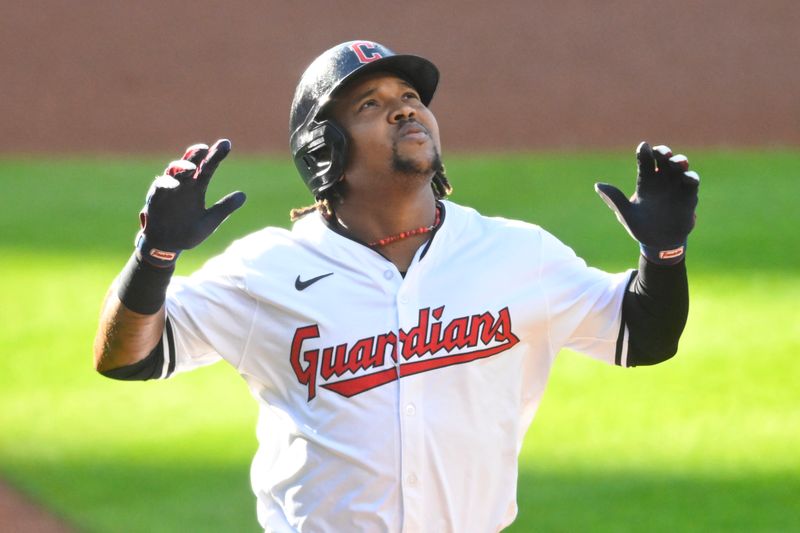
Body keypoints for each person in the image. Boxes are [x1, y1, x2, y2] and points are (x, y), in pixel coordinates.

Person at [93, 40, 699, 532]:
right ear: (322, 149)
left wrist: (664, 255)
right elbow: (125, 358)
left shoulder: (516, 253)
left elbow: (642, 336)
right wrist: (155, 255)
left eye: (410, 96)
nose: (405, 108)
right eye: (370, 105)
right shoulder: (266, 271)